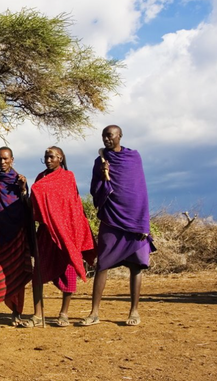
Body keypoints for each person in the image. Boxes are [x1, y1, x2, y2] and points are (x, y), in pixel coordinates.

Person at [80, 125, 156, 327]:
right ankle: (94, 312)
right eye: (104, 136)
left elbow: (140, 191)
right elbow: (95, 192)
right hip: (111, 219)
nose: (106, 139)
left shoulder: (133, 158)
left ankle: (134, 311)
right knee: (102, 264)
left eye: (110, 135)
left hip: (135, 221)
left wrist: (143, 224)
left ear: (120, 136)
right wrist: (105, 177)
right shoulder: (100, 161)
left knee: (136, 266)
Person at [22, 146, 94, 328]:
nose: (48, 160)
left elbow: (74, 205)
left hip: (66, 232)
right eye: (46, 157)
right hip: (47, 232)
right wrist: (24, 191)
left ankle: (64, 313)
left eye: (51, 157)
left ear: (60, 158)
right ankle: (37, 314)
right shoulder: (41, 177)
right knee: (38, 273)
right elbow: (34, 202)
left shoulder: (68, 177)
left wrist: (75, 230)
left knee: (68, 272)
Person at [0, 147, 32, 325]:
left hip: (17, 232)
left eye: (5, 159)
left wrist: (22, 189)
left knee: (16, 273)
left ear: (12, 160)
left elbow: (26, 204)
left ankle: (16, 313)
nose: (2, 162)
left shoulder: (20, 180)